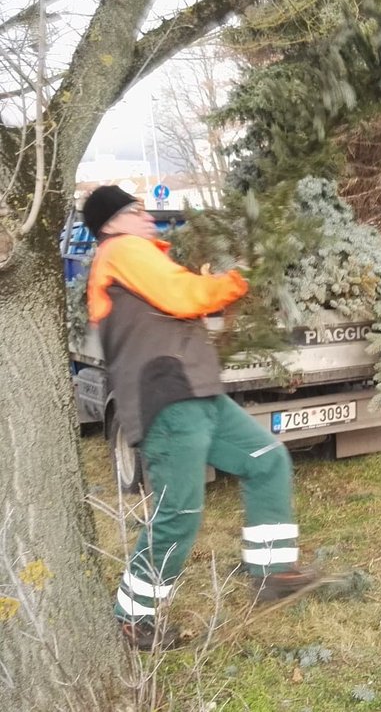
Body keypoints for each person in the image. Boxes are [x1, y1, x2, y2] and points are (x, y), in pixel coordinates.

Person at [83, 185, 319, 651]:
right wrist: (236, 280)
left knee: (266, 458)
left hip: (198, 392)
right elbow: (183, 296)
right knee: (179, 513)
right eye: (135, 210)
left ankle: (272, 571)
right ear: (110, 222)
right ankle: (132, 618)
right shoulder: (121, 251)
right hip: (167, 399)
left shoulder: (135, 254)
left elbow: (177, 298)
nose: (147, 216)